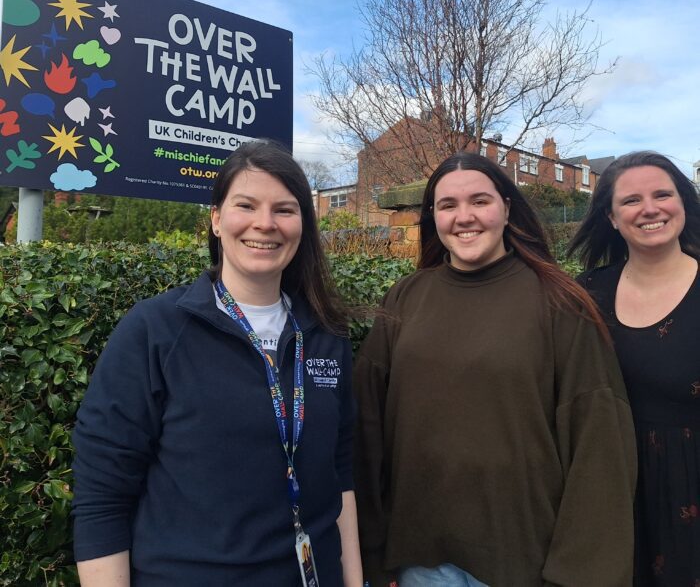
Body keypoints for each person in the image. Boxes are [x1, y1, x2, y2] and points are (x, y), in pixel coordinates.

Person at [72, 140, 363, 586]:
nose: (265, 224)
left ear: (303, 224)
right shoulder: (155, 331)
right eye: (246, 205)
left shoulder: (326, 335)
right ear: (215, 219)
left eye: (284, 209)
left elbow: (340, 474)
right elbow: (102, 495)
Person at [353, 152, 637, 587]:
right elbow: (366, 430)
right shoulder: (405, 300)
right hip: (420, 563)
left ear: (506, 207)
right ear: (433, 217)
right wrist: (372, 552)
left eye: (480, 201)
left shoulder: (558, 303)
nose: (464, 217)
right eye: (447, 205)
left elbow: (599, 443)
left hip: (526, 563)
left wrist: (579, 572)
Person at [569, 150, 700, 586]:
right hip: (612, 492)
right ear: (610, 216)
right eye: (630, 200)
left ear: (683, 202)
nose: (649, 208)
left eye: (663, 194)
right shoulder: (585, 294)